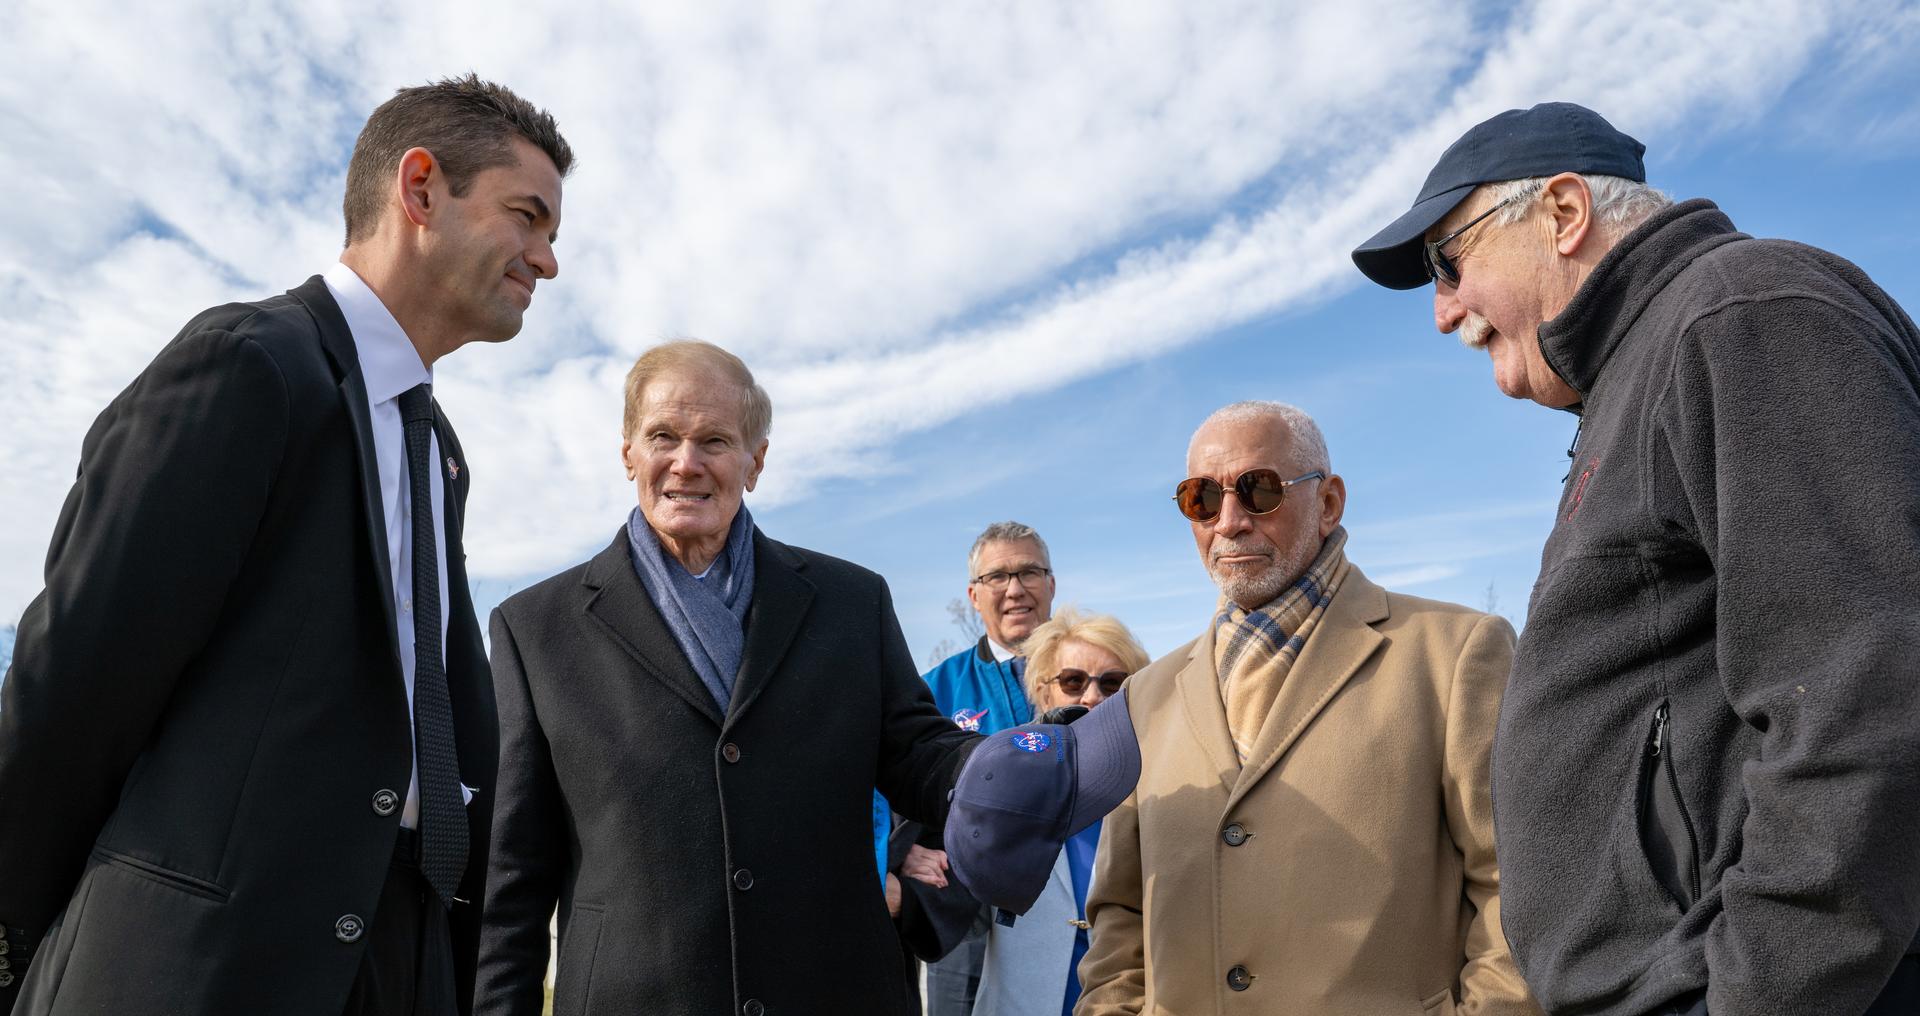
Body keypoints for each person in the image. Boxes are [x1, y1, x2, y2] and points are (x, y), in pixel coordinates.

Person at [0, 76, 571, 1016]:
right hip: (205, 971)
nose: (547, 261)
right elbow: (76, 684)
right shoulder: (248, 364)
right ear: (420, 190)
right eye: (528, 216)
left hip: (399, 962)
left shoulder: (442, 455)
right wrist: (22, 945)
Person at [1351, 101, 1920, 1016]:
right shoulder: (1644, 367)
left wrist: (1749, 994)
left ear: (1564, 215)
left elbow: (1866, 705)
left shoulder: (1743, 313)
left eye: (1447, 263)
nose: (1444, 310)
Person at [475, 340, 983, 1015]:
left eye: (715, 439)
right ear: (628, 450)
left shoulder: (850, 603)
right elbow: (515, 876)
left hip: (835, 990)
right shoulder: (535, 628)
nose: (687, 463)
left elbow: (920, 752)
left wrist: (1015, 764)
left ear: (756, 461)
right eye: (663, 436)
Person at [1076, 401, 1538, 1016]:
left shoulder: (1455, 653)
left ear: (1328, 502)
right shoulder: (1144, 696)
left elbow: (1519, 887)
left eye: (1259, 490)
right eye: (1202, 499)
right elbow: (1120, 909)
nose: (1230, 521)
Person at [973, 608, 1148, 1016]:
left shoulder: (1163, 791)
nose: (1091, 696)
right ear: (1043, 691)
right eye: (1073, 681)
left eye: (1112, 683)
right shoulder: (1002, 787)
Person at [915, 519, 1058, 1013]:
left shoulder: (1093, 673)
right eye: (997, 577)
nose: (1015, 589)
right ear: (974, 596)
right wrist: (898, 853)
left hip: (1071, 895)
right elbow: (883, 781)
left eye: (1029, 573)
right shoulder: (934, 688)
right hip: (963, 903)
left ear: (1051, 584)